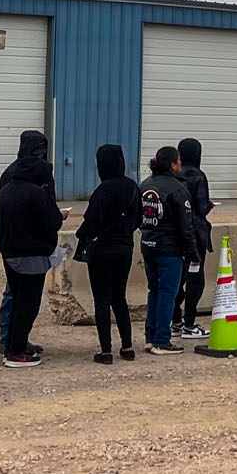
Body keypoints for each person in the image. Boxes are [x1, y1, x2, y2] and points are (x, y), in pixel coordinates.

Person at [0, 135, 63, 368]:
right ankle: (15, 350)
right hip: (32, 252)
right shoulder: (37, 191)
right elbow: (52, 221)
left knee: (15, 298)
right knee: (27, 302)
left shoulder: (7, 186)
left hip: (10, 251)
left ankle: (14, 342)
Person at [74, 145, 139, 363]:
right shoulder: (132, 187)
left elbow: (91, 222)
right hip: (125, 248)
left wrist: (80, 234)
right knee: (119, 297)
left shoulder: (102, 190)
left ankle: (106, 350)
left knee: (101, 300)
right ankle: (128, 346)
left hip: (102, 250)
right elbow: (138, 219)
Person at [138, 146, 193, 354]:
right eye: (178, 161)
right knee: (168, 294)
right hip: (170, 249)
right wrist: (192, 252)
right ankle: (162, 339)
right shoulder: (177, 189)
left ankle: (151, 337)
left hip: (148, 244)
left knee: (154, 292)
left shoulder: (145, 185)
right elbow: (185, 226)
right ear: (173, 164)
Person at [174, 138, 215, 341]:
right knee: (195, 280)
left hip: (175, 236)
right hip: (195, 235)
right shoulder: (198, 176)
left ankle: (175, 321)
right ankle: (189, 322)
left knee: (176, 280)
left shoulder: (175, 175)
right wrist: (209, 205)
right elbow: (201, 207)